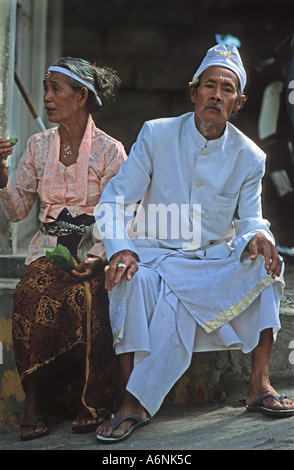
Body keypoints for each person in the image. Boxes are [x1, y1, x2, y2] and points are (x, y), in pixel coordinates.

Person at [94, 44, 294, 443]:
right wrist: (119, 248)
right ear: (193, 93)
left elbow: (251, 219)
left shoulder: (250, 156)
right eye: (209, 86)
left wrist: (261, 236)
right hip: (153, 255)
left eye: (227, 89)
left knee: (267, 265)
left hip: (207, 262)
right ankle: (132, 397)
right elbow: (114, 200)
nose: (216, 95)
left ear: (238, 103)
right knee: (131, 279)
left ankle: (259, 384)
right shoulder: (156, 133)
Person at [0, 57, 127, 441]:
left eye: (56, 89)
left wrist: (98, 257)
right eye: (46, 88)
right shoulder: (39, 147)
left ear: (82, 96)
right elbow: (18, 208)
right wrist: (2, 175)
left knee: (86, 301)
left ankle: (93, 403)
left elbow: (124, 215)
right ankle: (35, 404)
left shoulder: (110, 151)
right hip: (48, 252)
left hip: (93, 254)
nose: (48, 97)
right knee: (27, 295)